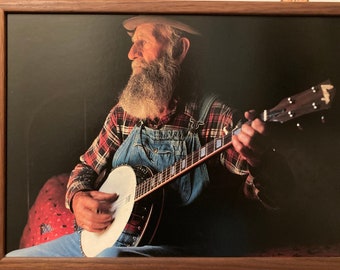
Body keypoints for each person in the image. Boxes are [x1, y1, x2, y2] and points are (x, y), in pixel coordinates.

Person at [7, 15, 292, 257]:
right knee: (15, 260)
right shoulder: (124, 113)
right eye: (133, 43)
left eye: (144, 42)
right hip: (105, 239)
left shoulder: (214, 118)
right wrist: (77, 199)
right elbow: (85, 167)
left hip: (174, 245)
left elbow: (270, 197)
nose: (132, 53)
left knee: (112, 259)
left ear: (179, 49)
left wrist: (261, 160)